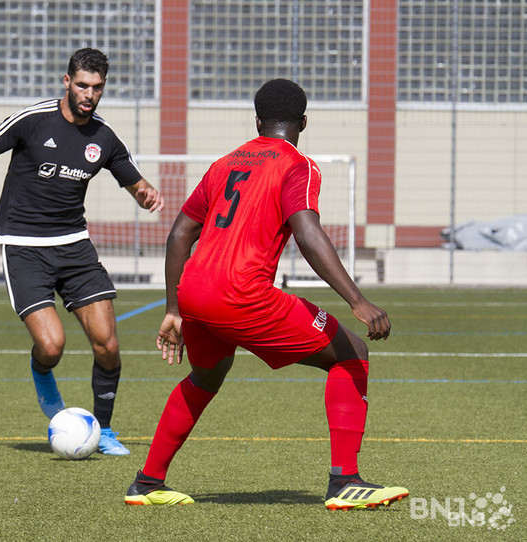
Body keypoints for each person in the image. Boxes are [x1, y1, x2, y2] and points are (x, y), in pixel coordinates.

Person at [124, 79, 409, 509]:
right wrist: (357, 300)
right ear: (304, 122)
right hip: (242, 294)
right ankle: (346, 481)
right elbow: (308, 233)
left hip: (194, 292)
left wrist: (173, 309)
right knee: (352, 353)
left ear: (257, 121)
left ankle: (147, 483)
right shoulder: (298, 164)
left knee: (206, 375)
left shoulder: (225, 163)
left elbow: (180, 233)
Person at [0, 48, 164, 455]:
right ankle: (42, 372)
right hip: (24, 247)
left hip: (74, 246)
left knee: (108, 345)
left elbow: (136, 183)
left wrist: (146, 194)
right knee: (52, 346)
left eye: (97, 88)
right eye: (82, 85)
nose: (89, 94)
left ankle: (106, 430)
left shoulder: (104, 136)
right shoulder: (33, 119)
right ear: (67, 82)